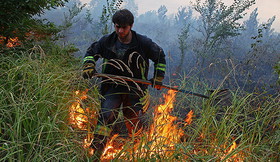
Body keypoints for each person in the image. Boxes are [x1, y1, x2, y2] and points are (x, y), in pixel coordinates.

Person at [82, 9, 166, 159]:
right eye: (117, 26)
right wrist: (89, 66)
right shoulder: (106, 41)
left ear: (131, 26)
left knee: (132, 121)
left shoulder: (143, 43)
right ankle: (95, 154)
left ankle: (139, 153)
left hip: (135, 89)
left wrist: (158, 77)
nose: (120, 31)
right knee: (106, 116)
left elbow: (160, 56)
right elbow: (90, 53)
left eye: (124, 27)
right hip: (111, 87)